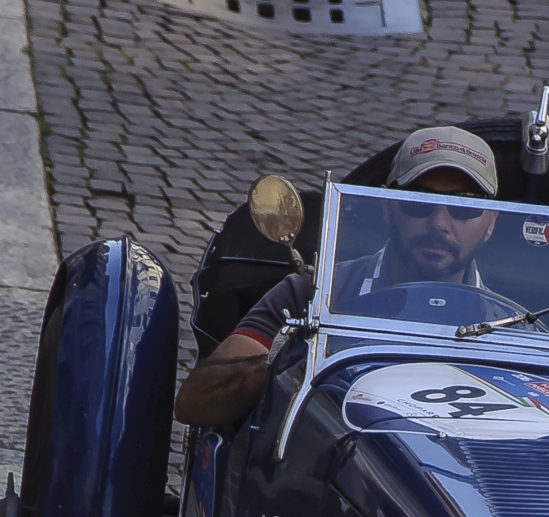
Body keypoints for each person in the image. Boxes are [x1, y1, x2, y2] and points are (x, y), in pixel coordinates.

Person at [173, 125, 501, 430]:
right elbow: (194, 402)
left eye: (463, 205)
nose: (440, 223)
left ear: (491, 222)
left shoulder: (515, 327)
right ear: (387, 206)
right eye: (419, 202)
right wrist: (288, 360)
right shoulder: (315, 293)